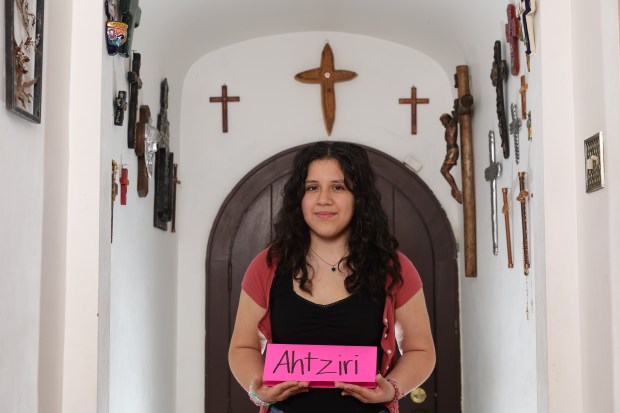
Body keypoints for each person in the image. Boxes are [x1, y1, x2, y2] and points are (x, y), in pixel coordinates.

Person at [228, 141, 435, 413]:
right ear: (299, 198)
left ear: (358, 197)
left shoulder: (394, 267)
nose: (323, 199)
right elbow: (243, 346)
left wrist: (392, 388)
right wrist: (260, 391)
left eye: (338, 187)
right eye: (312, 187)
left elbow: (421, 351)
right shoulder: (266, 266)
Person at [439, 99, 463, 204]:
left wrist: (457, 104)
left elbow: (456, 115)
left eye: (443, 121)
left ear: (447, 119)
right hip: (450, 152)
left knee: (444, 171)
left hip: (453, 150)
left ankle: (456, 190)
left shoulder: (452, 124)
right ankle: (455, 190)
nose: (442, 123)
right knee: (444, 171)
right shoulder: (448, 127)